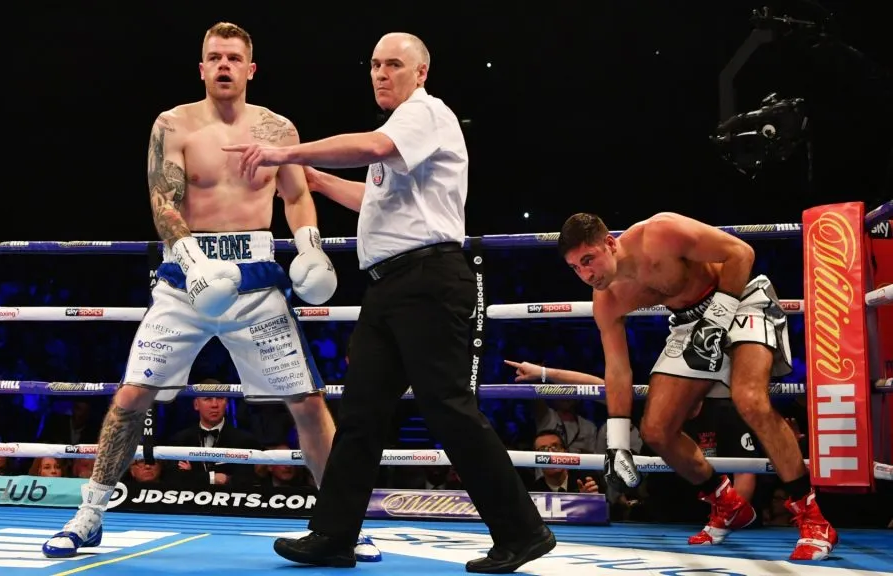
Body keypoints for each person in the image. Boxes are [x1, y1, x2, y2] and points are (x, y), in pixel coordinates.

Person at [41, 22, 381, 562]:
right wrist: (193, 260)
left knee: (308, 403)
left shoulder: (278, 130)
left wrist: (310, 245)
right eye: (214, 57)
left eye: (234, 57)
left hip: (255, 279)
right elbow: (163, 202)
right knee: (131, 396)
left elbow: (296, 196)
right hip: (185, 277)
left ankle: (342, 522)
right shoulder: (173, 124)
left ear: (250, 69)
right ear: (202, 68)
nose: (224, 65)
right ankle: (88, 516)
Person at [223, 32, 555, 573]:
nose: (381, 73)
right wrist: (320, 181)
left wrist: (286, 152)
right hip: (389, 285)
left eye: (393, 65)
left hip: (430, 280)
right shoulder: (402, 133)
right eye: (375, 64)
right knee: (360, 415)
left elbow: (373, 148)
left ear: (421, 72)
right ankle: (333, 535)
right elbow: (376, 205)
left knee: (448, 409)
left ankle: (523, 531)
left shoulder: (425, 114)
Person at [556, 211, 836, 560]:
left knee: (749, 400)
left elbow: (741, 254)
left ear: (609, 244)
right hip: (690, 323)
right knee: (656, 430)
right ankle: (727, 503)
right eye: (575, 268)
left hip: (741, 298)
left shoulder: (660, 234)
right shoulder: (609, 299)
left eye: (588, 260)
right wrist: (616, 443)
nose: (587, 274)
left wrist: (718, 318)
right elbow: (617, 370)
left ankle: (813, 518)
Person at [505, 359, 760, 540]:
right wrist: (544, 372)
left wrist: (720, 523)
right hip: (663, 517)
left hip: (711, 516)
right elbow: (601, 387)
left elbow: (745, 474)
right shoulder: (656, 406)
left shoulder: (725, 413)